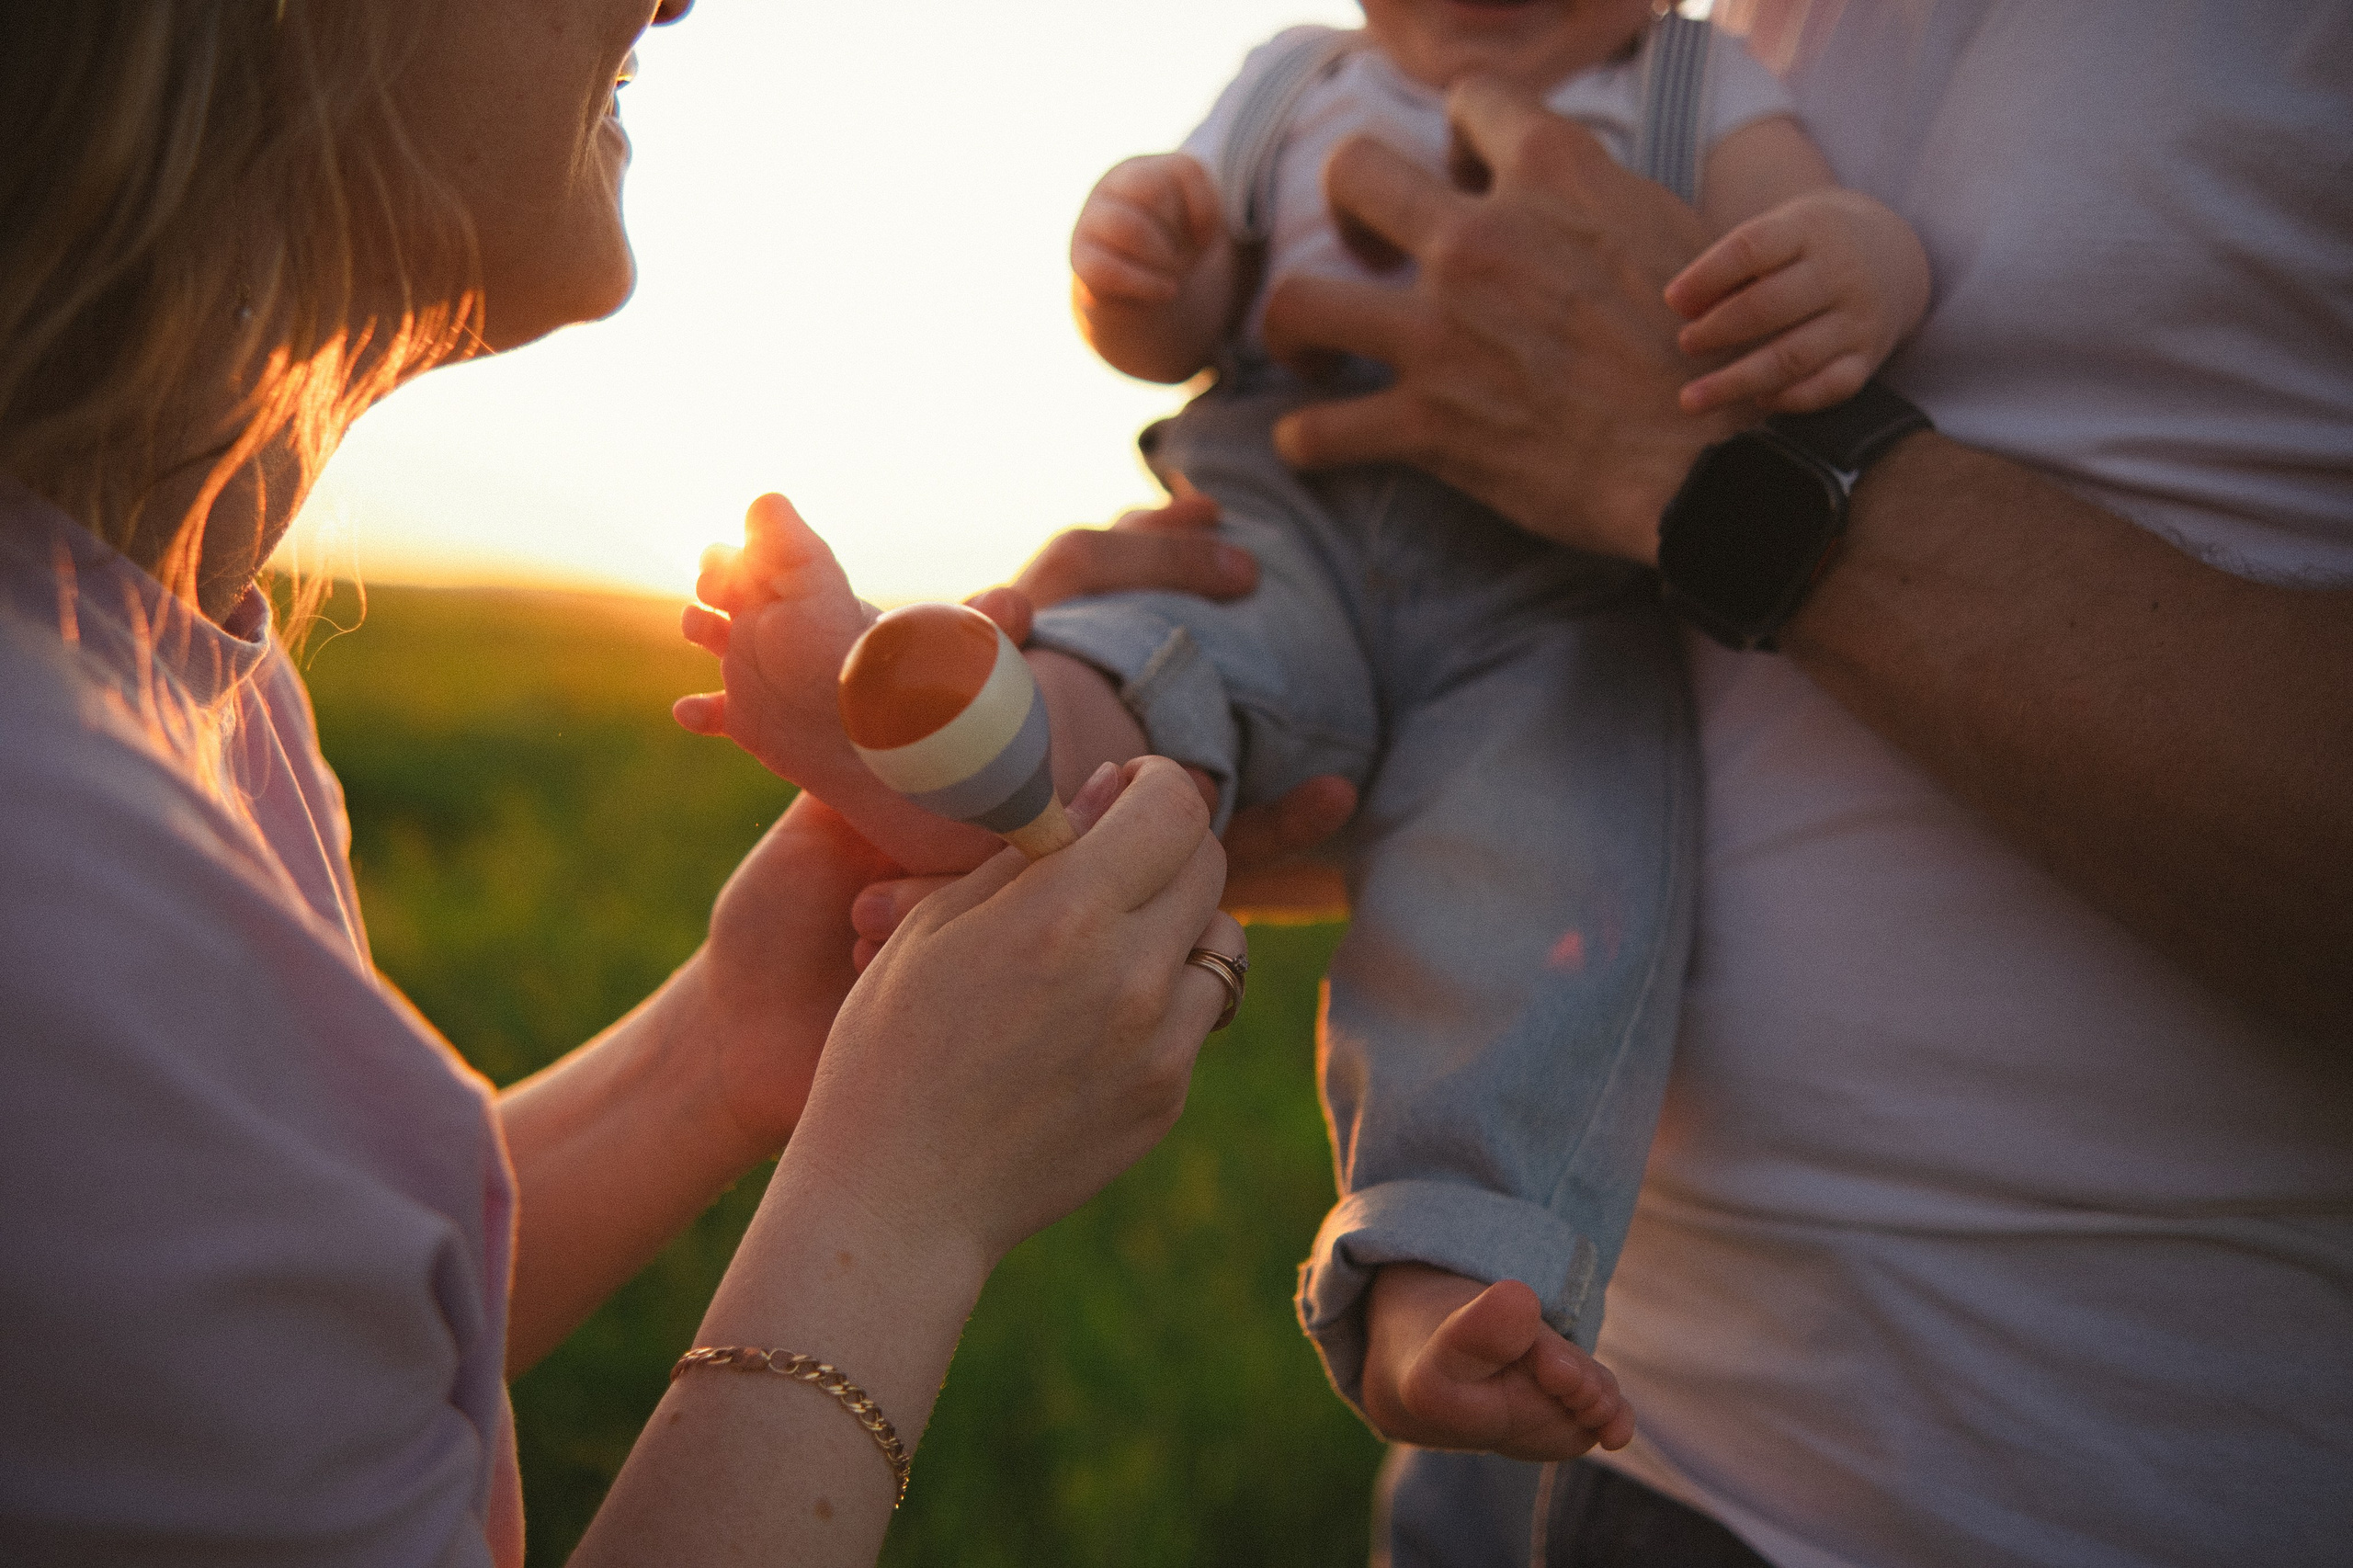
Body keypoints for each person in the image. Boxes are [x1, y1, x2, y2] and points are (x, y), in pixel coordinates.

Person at [0, 4, 1326, 1564]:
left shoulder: (153, 659)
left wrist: (720, 1047)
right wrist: (897, 1204)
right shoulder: (52, 871)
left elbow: (256, 1354)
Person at [678, 0, 1928, 1468]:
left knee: (1537, 863)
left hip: (1559, 584)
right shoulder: (1297, 81)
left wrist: (1865, 266)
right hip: (1271, 519)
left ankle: (1443, 1269)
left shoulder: (1686, 84)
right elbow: (1177, 313)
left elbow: (1820, 226)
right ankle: (935, 734)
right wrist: (1137, 258)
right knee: (1163, 649)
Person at [1226, 0, 2349, 1562]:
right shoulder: (1669, 42)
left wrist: (1725, 478)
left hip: (2095, 1490)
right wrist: (1247, 668)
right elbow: (1567, 715)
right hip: (1547, 1393)